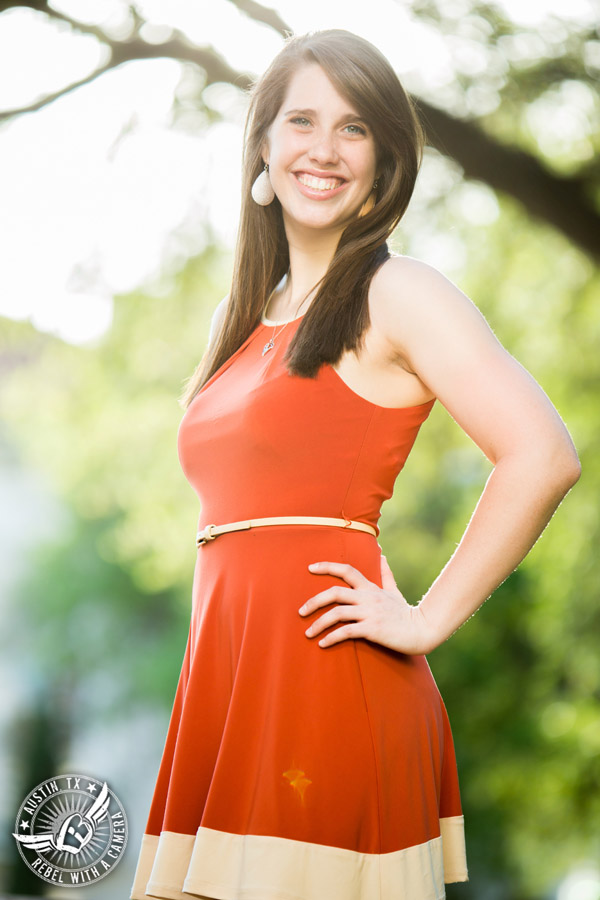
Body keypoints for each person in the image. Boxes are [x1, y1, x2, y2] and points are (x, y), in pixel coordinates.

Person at [129, 28, 581, 900]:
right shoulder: (243, 316)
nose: (324, 150)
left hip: (330, 683)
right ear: (263, 145)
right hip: (230, 690)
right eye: (302, 121)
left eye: (354, 128)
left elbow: (543, 454)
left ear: (385, 160)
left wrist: (425, 618)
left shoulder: (398, 291)